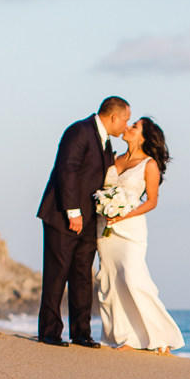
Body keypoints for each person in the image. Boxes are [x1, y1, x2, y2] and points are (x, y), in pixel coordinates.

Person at [36, 96, 130, 347]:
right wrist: (72, 212)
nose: (126, 125)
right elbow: (67, 169)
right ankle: (49, 332)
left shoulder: (106, 142)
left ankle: (81, 333)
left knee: (81, 276)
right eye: (125, 120)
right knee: (57, 274)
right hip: (63, 215)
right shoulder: (79, 131)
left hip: (90, 219)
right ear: (113, 117)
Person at [97, 117, 185, 353]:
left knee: (134, 279)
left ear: (144, 136)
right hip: (104, 228)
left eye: (134, 126)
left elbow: (152, 201)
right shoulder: (114, 160)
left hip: (131, 228)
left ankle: (160, 336)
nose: (127, 128)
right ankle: (125, 338)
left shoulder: (149, 164)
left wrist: (124, 215)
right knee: (109, 282)